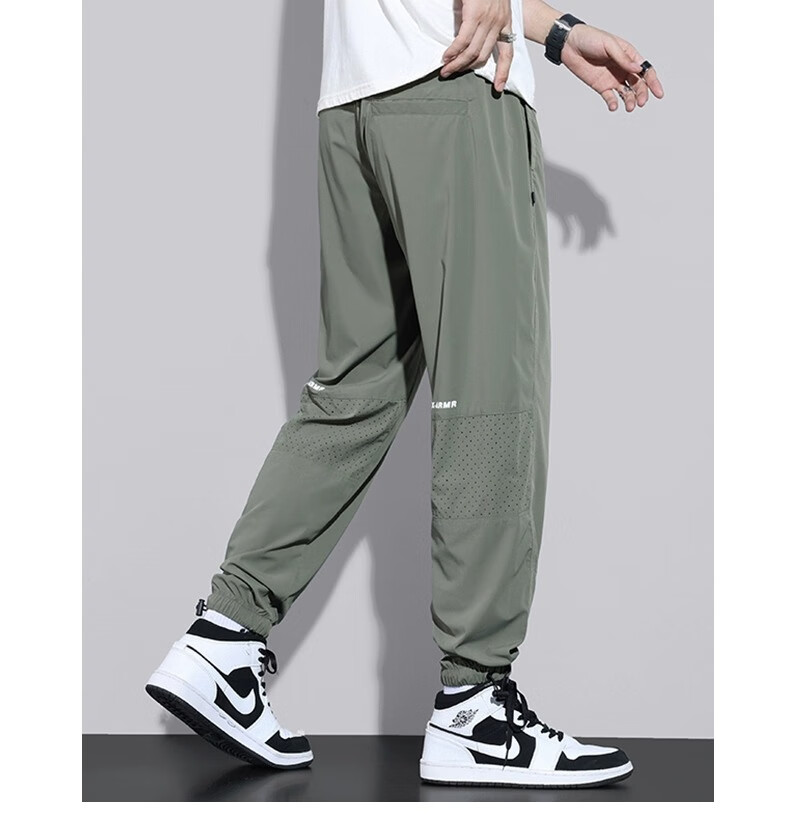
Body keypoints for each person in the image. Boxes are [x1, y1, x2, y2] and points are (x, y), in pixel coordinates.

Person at [146, 0, 663, 788]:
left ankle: (224, 638)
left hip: (353, 103)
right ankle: (475, 707)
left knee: (353, 391)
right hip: (457, 88)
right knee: (491, 392)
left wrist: (557, 36)